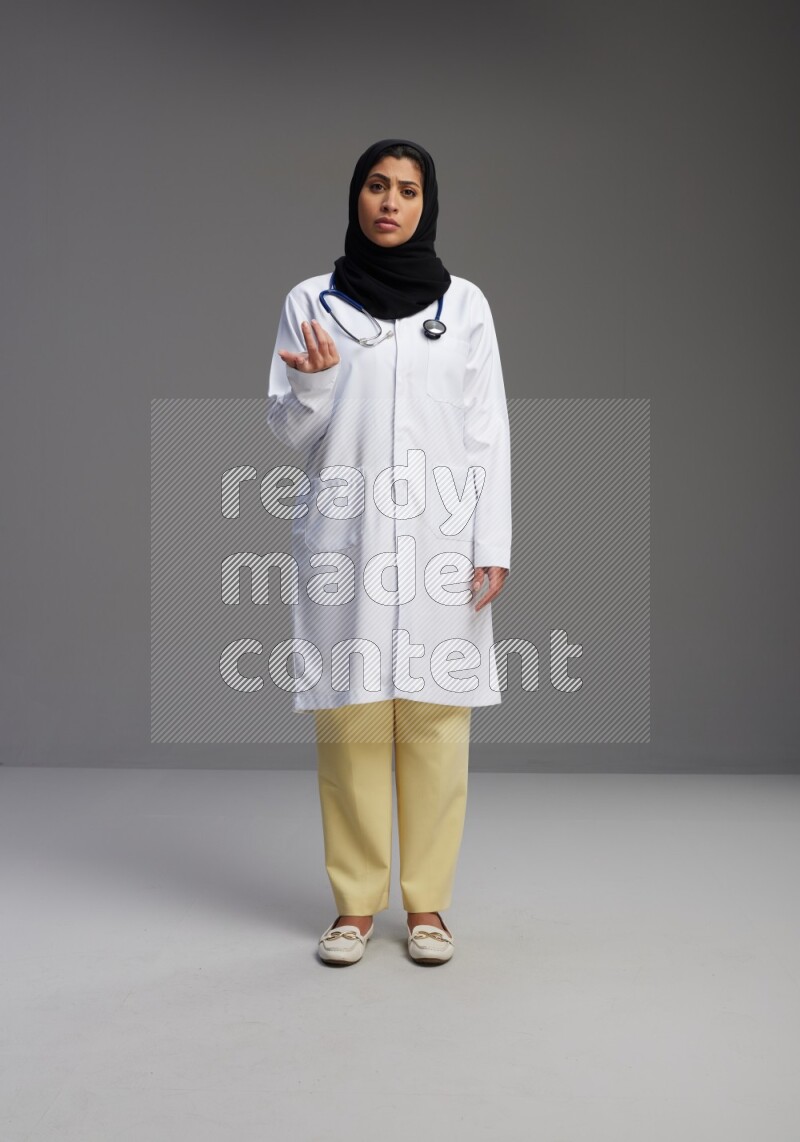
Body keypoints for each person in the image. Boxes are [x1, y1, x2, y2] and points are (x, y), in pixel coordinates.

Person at [266, 138, 511, 965]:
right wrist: (312, 382)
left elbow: (487, 431)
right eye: (377, 186)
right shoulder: (312, 301)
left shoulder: (464, 306)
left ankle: (429, 907)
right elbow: (289, 430)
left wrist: (492, 541)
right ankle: (354, 908)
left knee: (437, 725)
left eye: (408, 189)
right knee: (353, 724)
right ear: (356, 197)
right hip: (351, 538)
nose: (391, 202)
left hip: (443, 538)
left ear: (426, 203)